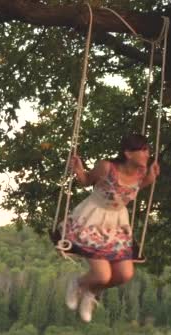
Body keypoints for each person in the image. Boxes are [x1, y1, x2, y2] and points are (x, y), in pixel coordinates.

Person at [61, 133, 160, 322]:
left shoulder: (141, 172)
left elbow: (138, 186)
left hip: (116, 224)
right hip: (92, 220)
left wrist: (151, 178)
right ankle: (78, 283)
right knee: (102, 274)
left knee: (125, 274)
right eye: (143, 150)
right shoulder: (107, 167)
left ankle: (91, 293)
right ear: (128, 153)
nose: (148, 154)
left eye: (148, 150)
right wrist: (78, 169)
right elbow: (85, 181)